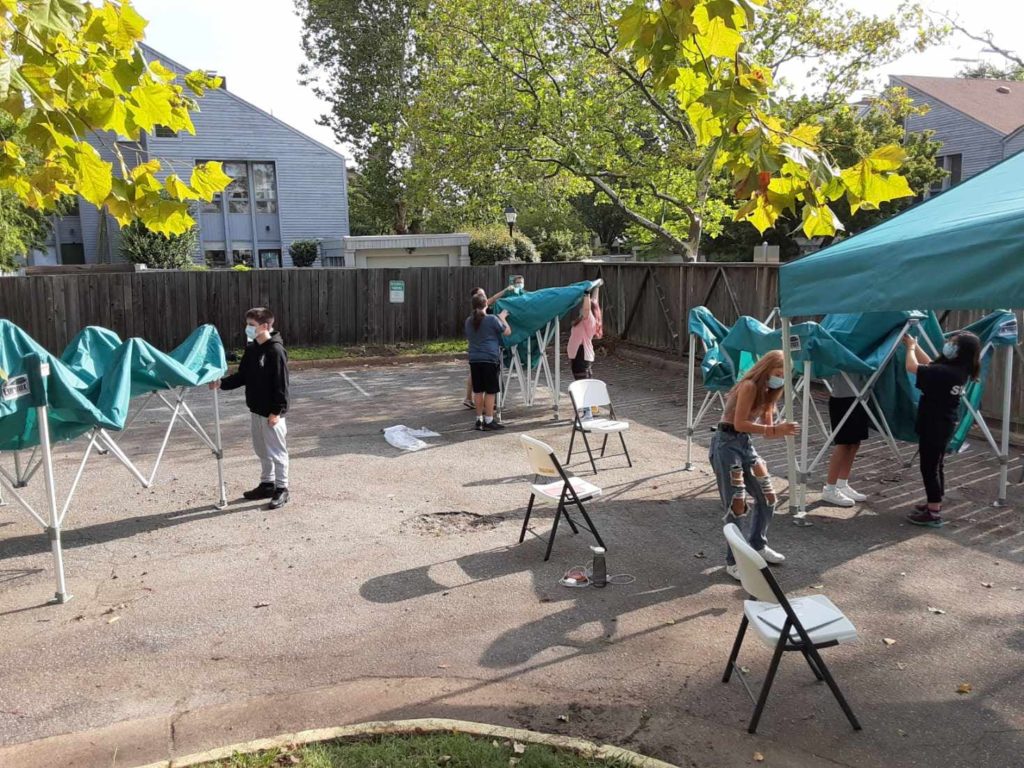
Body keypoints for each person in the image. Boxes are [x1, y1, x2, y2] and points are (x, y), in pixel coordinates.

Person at [710, 350, 799, 580]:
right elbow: (739, 423)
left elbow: (768, 431)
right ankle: (734, 561)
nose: (780, 378)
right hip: (727, 443)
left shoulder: (770, 391)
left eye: (784, 375)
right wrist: (774, 430)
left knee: (767, 496)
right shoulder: (749, 385)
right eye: (777, 373)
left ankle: (758, 545)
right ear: (766, 369)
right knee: (736, 503)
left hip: (744, 444)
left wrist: (781, 427)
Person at [210, 307, 291, 510]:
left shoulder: (275, 351)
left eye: (251, 325)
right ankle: (267, 484)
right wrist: (222, 383)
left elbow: (282, 384)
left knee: (277, 452)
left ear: (265, 326)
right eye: (247, 324)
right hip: (255, 409)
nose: (248, 328)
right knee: (262, 450)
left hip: (272, 414)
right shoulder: (252, 348)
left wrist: (277, 411)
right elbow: (243, 376)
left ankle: (282, 488)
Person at [903, 331, 981, 527]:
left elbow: (912, 366)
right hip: (943, 424)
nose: (948, 344)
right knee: (936, 465)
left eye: (953, 343)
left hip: (935, 425)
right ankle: (934, 502)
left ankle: (934, 512)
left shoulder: (947, 372)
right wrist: (914, 344)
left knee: (929, 468)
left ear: (961, 350)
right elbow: (930, 364)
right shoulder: (957, 370)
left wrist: (911, 348)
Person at [821, 374, 870, 507]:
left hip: (861, 397)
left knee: (855, 443)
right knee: (843, 444)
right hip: (843, 398)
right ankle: (829, 488)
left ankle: (842, 484)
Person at [465, 292, 511, 431]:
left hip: (474, 359)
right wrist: (502, 318)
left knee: (478, 391)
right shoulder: (491, 319)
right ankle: (489, 420)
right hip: (489, 359)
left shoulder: (468, 321)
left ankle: (479, 420)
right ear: (486, 304)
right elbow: (507, 332)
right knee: (490, 391)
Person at [567, 283, 603, 381]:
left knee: (582, 383)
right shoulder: (586, 320)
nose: (581, 307)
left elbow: (587, 309)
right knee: (584, 382)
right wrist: (597, 286)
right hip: (580, 356)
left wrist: (586, 294)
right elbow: (595, 301)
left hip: (581, 355)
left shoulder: (589, 320)